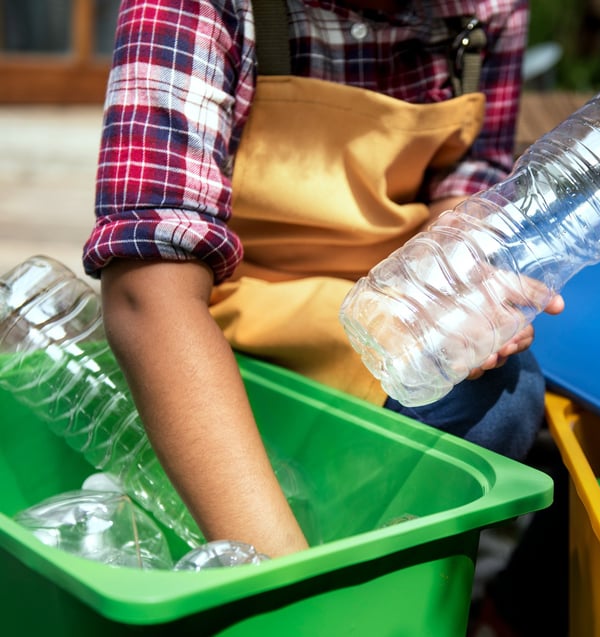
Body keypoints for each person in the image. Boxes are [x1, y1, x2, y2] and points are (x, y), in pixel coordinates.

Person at [83, 0, 564, 560]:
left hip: (380, 309)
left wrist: (457, 281)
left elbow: (467, 177)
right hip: (222, 319)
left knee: (503, 395)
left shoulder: (487, 9)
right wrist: (281, 576)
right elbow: (147, 291)